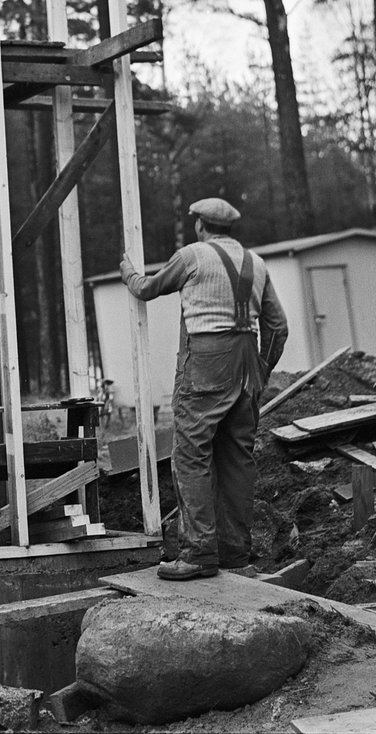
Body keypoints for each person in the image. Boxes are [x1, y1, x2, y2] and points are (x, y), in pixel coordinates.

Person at [119, 197, 289, 580]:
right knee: (236, 458)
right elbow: (278, 328)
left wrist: (128, 271)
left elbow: (147, 288)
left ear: (200, 225)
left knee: (190, 457)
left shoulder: (193, 255)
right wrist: (261, 369)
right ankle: (234, 555)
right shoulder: (256, 263)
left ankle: (197, 554)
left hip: (207, 362)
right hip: (247, 365)